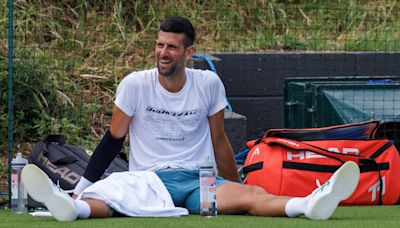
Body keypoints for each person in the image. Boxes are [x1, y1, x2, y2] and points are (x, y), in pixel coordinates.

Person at [21, 16, 360, 222]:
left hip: (201, 183)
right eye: (158, 45)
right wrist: (82, 188)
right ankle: (70, 206)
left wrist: (235, 182)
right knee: (108, 199)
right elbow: (113, 140)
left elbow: (219, 140)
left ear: (188, 52)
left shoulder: (208, 83)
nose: (162, 53)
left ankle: (309, 204)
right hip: (148, 179)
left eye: (171, 47)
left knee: (253, 196)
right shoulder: (135, 84)